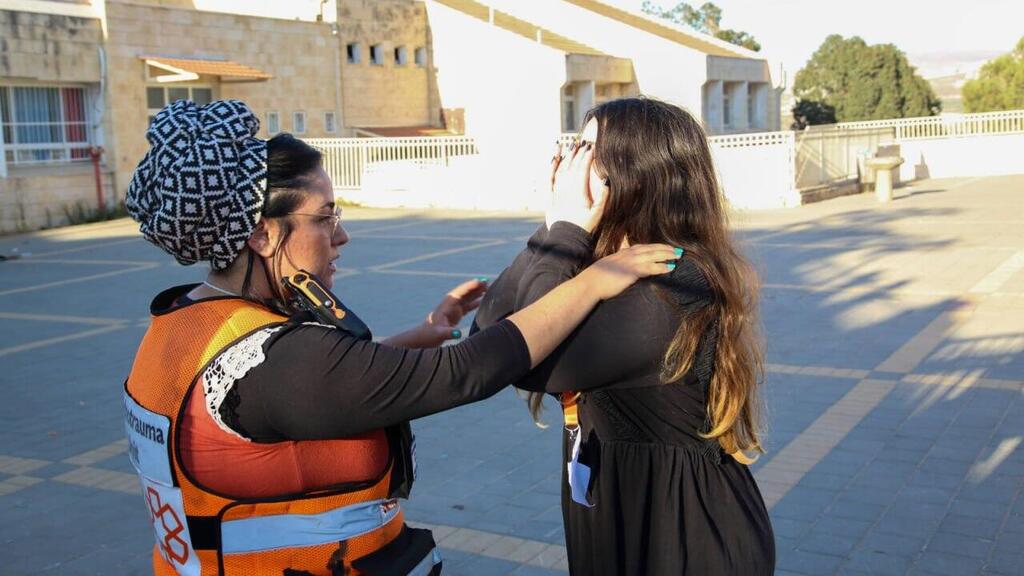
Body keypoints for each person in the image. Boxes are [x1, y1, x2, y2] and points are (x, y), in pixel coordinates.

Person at [121, 99, 678, 576]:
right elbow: (467, 374)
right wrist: (590, 276)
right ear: (265, 235)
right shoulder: (280, 364)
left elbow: (318, 389)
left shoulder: (187, 323)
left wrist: (422, 335)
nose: (341, 236)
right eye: (325, 217)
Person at [473, 97, 775, 575]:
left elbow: (521, 359)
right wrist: (553, 230)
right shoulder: (603, 266)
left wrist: (565, 232)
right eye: (577, 144)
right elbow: (486, 335)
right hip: (617, 513)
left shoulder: (676, 279)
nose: (571, 162)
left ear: (638, 171)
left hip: (682, 534)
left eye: (591, 148)